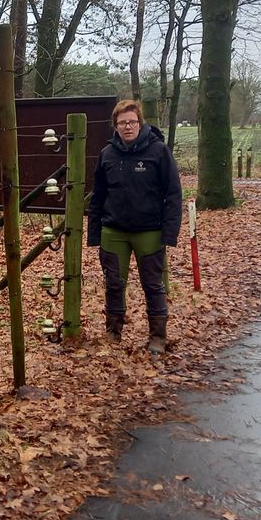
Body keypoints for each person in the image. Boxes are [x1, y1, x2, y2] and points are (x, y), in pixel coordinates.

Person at [86, 99, 182, 355]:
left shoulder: (158, 151)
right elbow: (97, 196)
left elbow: (173, 194)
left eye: (132, 122)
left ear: (140, 123)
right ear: (115, 126)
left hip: (149, 231)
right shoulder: (107, 154)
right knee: (114, 284)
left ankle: (158, 337)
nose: (127, 127)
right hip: (114, 231)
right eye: (122, 123)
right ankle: (113, 332)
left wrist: (169, 233)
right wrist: (94, 233)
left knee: (152, 284)